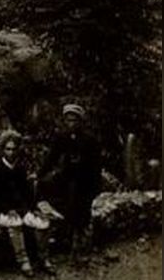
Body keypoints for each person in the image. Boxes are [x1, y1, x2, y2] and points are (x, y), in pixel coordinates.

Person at [0, 130, 54, 276]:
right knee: (15, 222)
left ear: (18, 149)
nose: (11, 152)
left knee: (43, 223)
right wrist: (6, 209)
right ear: (2, 149)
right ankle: (23, 260)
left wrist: (33, 209)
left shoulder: (20, 168)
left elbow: (28, 194)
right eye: (7, 149)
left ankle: (43, 258)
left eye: (14, 149)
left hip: (20, 209)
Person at [38, 103, 102, 258]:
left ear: (80, 121)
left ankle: (82, 245)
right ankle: (69, 243)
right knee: (65, 206)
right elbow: (51, 157)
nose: (71, 124)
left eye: (74, 120)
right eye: (68, 120)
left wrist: (95, 187)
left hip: (85, 181)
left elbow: (96, 165)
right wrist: (40, 174)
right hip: (67, 180)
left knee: (83, 211)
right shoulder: (61, 137)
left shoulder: (90, 140)